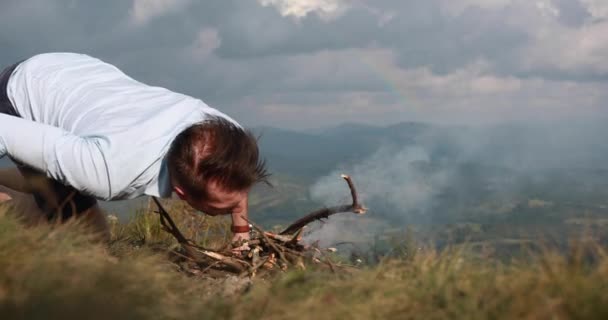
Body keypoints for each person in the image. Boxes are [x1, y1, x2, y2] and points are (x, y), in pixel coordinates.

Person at [0, 52, 269, 243]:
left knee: (84, 225)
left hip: (81, 78)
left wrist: (241, 233)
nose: (235, 206)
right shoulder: (110, 171)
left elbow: (235, 180)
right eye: (220, 209)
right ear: (181, 193)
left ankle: (32, 184)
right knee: (85, 243)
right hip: (26, 90)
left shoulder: (222, 135)